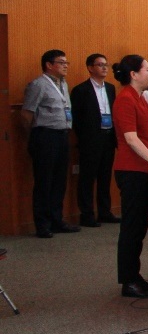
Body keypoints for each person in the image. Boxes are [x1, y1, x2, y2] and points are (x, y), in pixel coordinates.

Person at [110, 55, 148, 298]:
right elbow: (131, 139)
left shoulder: (142, 97)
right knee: (132, 227)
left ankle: (135, 276)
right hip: (131, 169)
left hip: (143, 169)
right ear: (133, 74)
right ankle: (128, 281)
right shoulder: (125, 98)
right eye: (147, 69)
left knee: (140, 225)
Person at [21, 49, 78, 238]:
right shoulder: (38, 84)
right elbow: (26, 114)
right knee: (44, 182)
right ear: (49, 65)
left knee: (59, 181)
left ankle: (57, 220)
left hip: (62, 135)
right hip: (45, 136)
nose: (65, 66)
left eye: (66, 62)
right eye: (61, 62)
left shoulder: (63, 84)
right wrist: (33, 138)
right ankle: (42, 224)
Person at [70, 54, 120, 228]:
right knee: (87, 178)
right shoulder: (80, 90)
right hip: (90, 139)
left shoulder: (111, 88)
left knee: (105, 177)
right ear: (90, 68)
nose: (105, 68)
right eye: (100, 65)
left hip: (108, 137)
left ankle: (104, 212)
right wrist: (84, 137)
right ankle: (87, 214)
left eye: (106, 65)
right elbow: (76, 118)